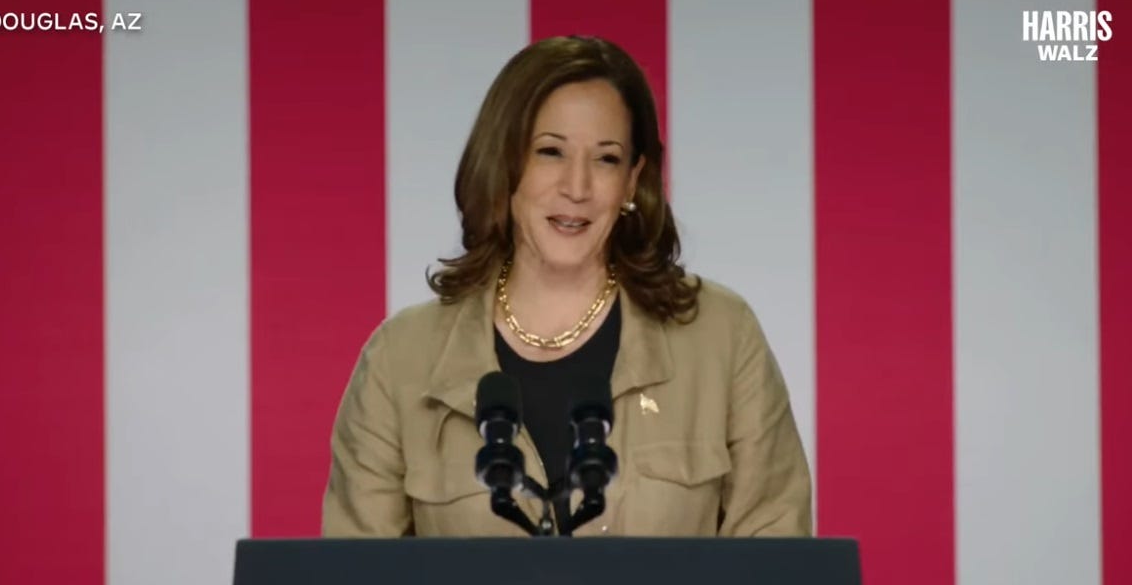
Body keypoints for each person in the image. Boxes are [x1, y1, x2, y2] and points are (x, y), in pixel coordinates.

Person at [321, 35, 811, 538]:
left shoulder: (722, 338)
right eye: (550, 152)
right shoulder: (399, 359)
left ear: (632, 179)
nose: (576, 188)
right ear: (505, 162)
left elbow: (778, 580)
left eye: (605, 159)